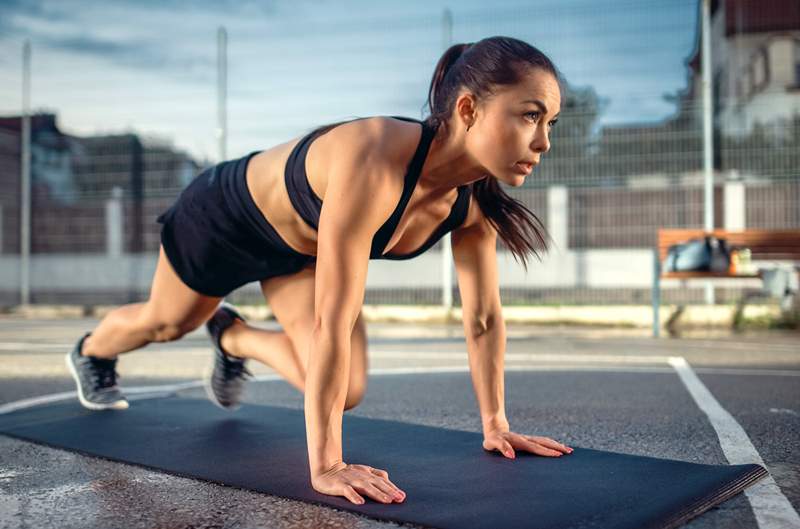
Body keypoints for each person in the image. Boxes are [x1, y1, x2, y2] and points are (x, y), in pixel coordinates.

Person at [65, 35, 574, 506]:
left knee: (344, 391)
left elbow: (482, 319)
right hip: (224, 220)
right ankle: (91, 352)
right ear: (468, 108)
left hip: (297, 253)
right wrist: (328, 464)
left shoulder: (471, 207)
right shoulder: (372, 157)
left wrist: (496, 424)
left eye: (550, 123)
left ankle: (233, 337)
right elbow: (334, 319)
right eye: (530, 116)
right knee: (167, 323)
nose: (543, 142)